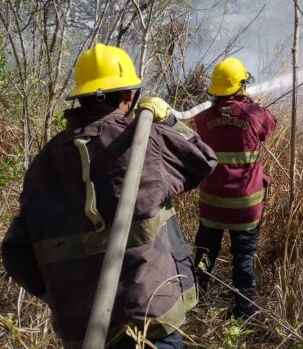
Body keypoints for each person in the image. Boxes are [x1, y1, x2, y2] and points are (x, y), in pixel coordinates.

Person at [1, 43, 218, 348]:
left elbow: (15, 253)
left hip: (82, 327)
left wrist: (60, 293)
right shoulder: (145, 140)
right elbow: (204, 159)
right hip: (151, 320)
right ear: (128, 96)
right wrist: (169, 120)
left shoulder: (44, 163)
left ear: (81, 97)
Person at [193, 57, 277, 320]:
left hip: (212, 204)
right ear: (241, 86)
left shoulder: (204, 117)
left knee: (205, 254)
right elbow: (270, 125)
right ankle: (242, 313)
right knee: (244, 259)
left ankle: (196, 299)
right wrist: (248, 104)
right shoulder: (255, 115)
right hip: (245, 208)